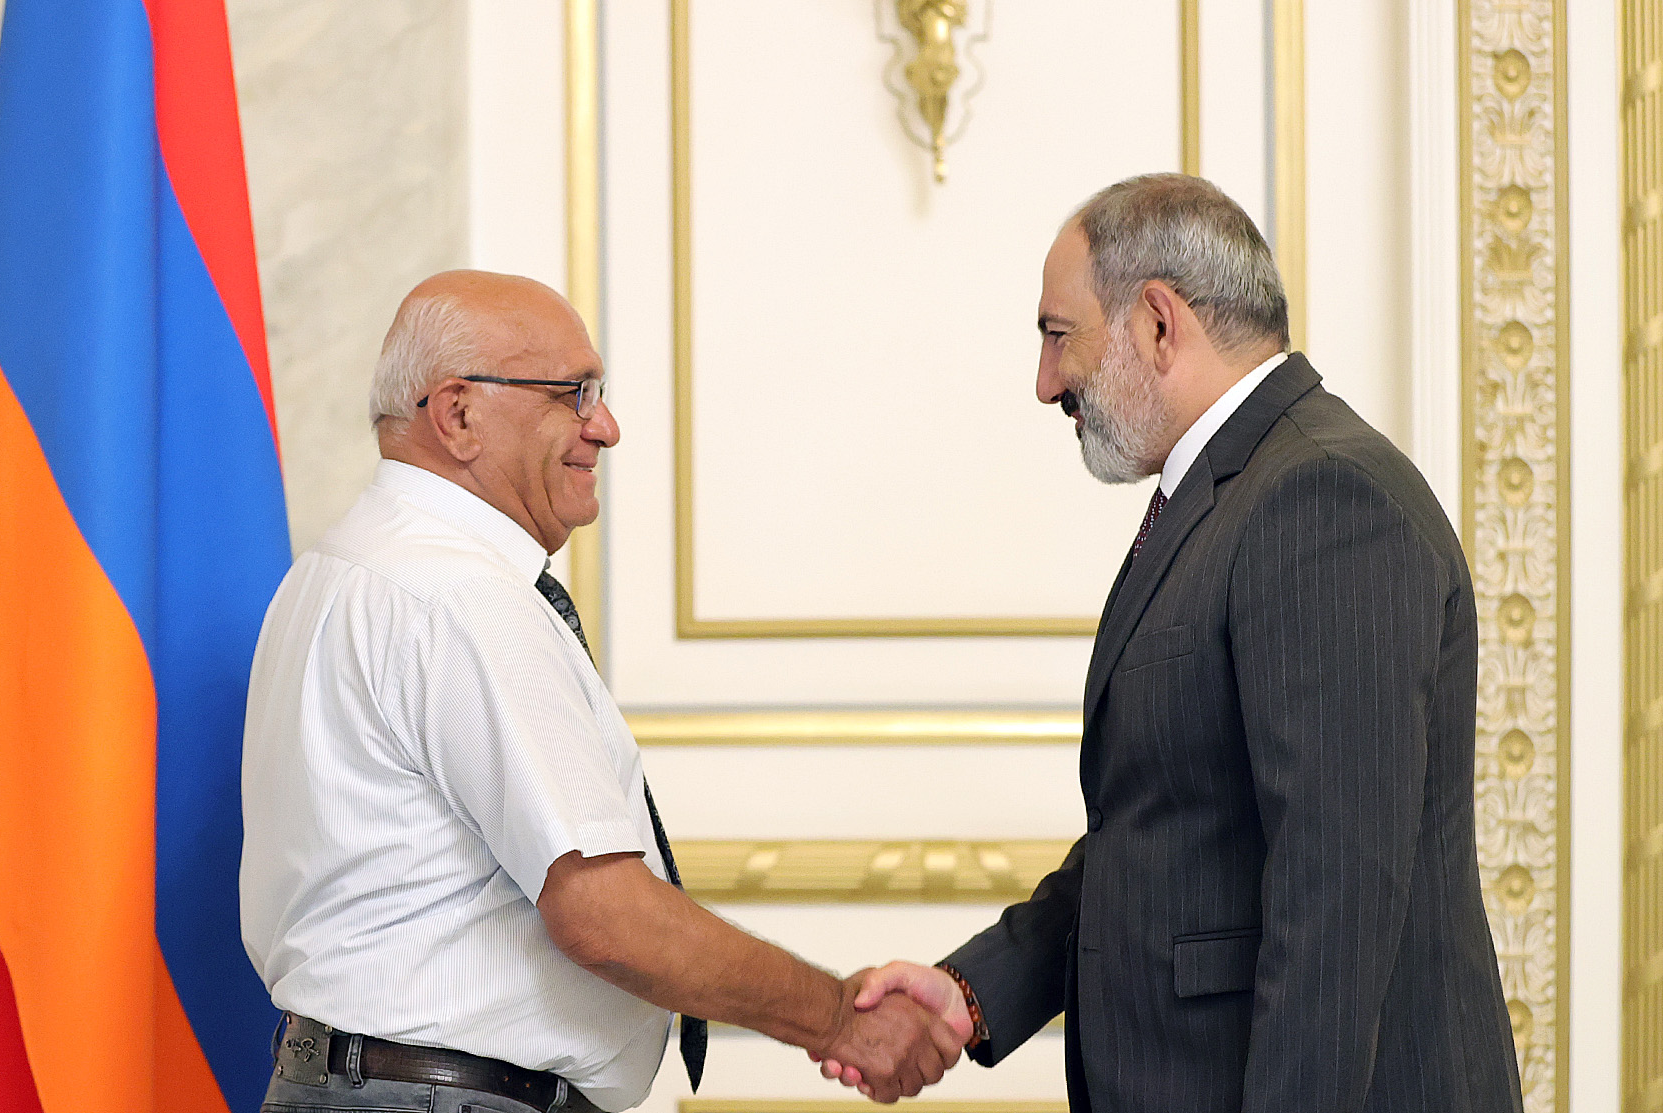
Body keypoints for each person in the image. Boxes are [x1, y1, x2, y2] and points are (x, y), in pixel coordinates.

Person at [829, 175, 1524, 1112]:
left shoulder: (1322, 496)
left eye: (1058, 334)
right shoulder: (1234, 493)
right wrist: (975, 992)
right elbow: (1166, 826)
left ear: (1158, 322)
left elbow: (1336, 906)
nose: (1045, 382)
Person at [240, 270, 963, 1113]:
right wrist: (835, 1016)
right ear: (459, 414)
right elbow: (605, 915)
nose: (606, 427)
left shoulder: (338, 568)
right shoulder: (460, 595)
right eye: (572, 393)